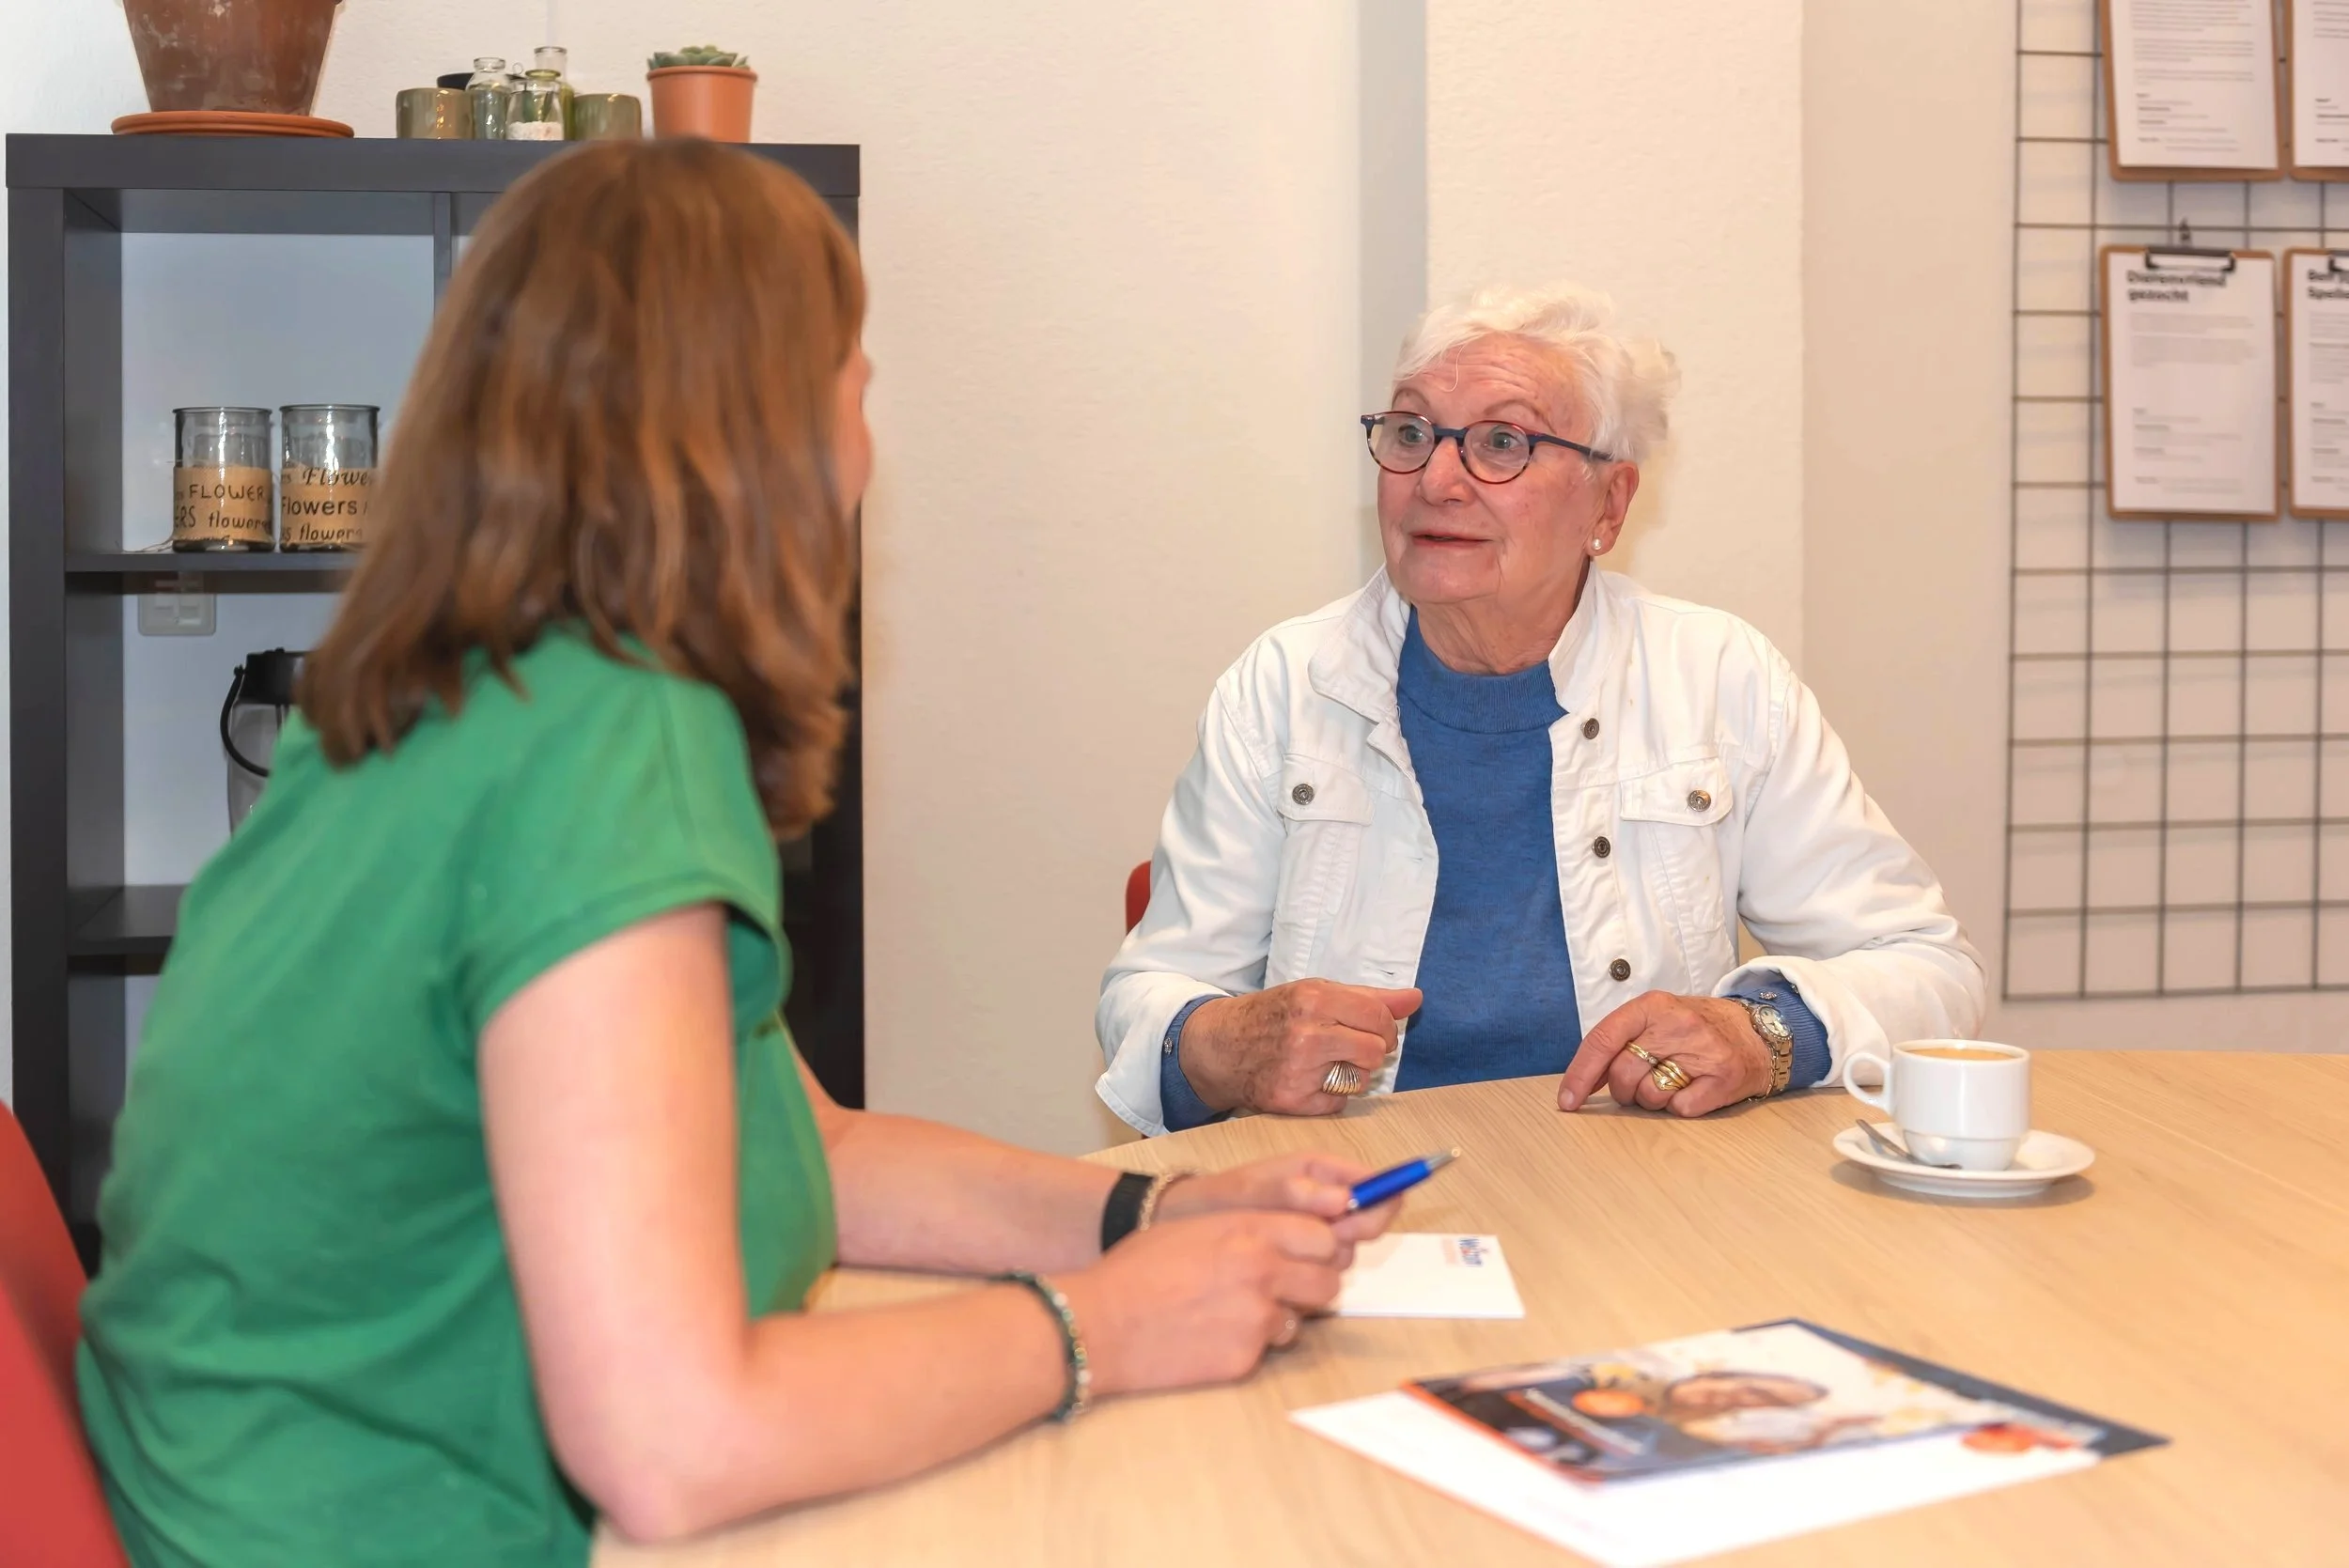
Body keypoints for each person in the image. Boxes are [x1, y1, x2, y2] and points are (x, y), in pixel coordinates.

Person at [76, 141, 1396, 1568]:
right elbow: (673, 1440)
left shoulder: (443, 698)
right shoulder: (608, 747)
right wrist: (1105, 1330)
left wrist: (1156, 1213)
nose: (867, 443)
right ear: (757, 426)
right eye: (855, 382)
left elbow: (806, 1147)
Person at [1097, 282, 1983, 1136]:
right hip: (1348, 1186)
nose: (1437, 478)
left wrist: (1762, 1036)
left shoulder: (1719, 677)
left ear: (1610, 502)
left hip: (1641, 1193)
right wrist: (1223, 1044)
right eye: (1412, 433)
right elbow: (1150, 992)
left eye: (1501, 443)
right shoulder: (1283, 684)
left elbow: (1926, 966)